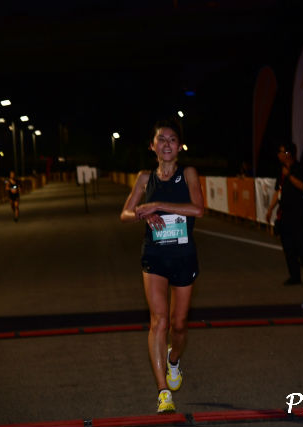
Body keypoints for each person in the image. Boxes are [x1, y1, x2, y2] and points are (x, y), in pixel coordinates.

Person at [120, 119, 204, 414]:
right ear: (152, 146)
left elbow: (198, 209)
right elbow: (125, 214)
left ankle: (173, 360)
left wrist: (157, 206)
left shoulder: (188, 173)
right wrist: (142, 213)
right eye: (161, 139)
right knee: (160, 322)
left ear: (179, 147)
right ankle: (163, 392)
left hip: (183, 256)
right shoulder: (144, 178)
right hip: (154, 255)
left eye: (172, 139)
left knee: (179, 325)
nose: (167, 143)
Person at [266, 142, 303, 285]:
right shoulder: (281, 170)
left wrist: (289, 175)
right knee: (288, 246)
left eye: (281, 151)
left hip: (298, 213)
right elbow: (278, 190)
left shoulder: (299, 168)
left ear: (288, 154)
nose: (279, 154)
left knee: (301, 244)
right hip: (285, 213)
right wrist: (270, 209)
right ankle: (294, 276)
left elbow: (302, 186)